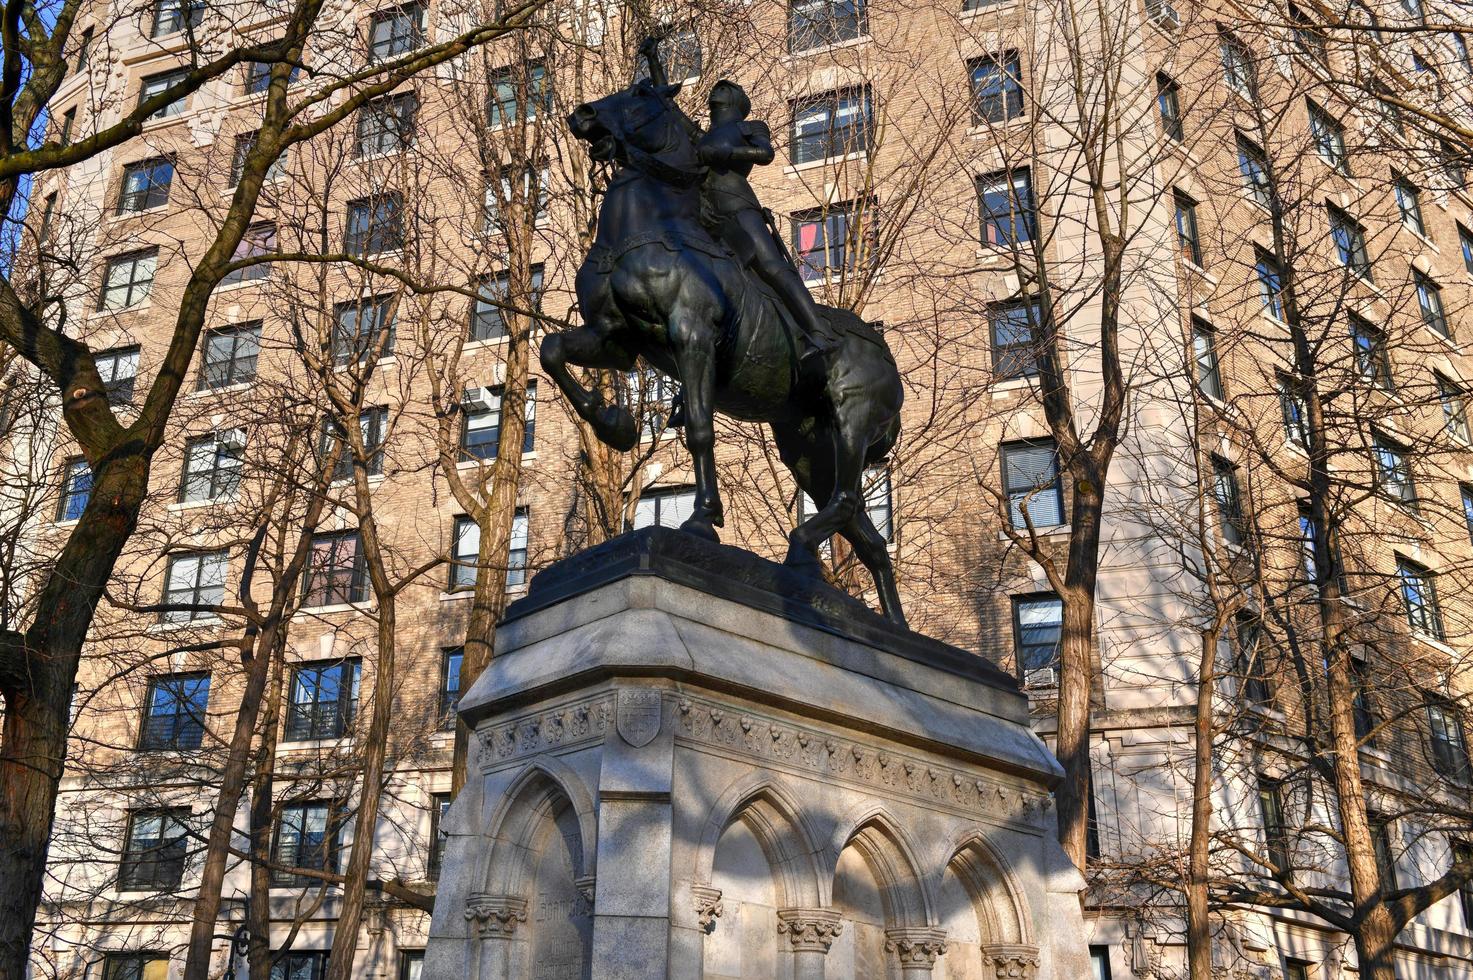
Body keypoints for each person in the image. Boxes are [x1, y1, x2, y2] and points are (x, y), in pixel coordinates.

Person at [639, 36, 840, 380]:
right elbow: (670, 109)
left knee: (772, 267)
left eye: (723, 89)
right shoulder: (701, 136)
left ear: (734, 101)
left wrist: (728, 155)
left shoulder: (750, 127)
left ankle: (819, 332)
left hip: (738, 206)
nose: (716, 91)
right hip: (706, 218)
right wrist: (654, 59)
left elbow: (766, 154)